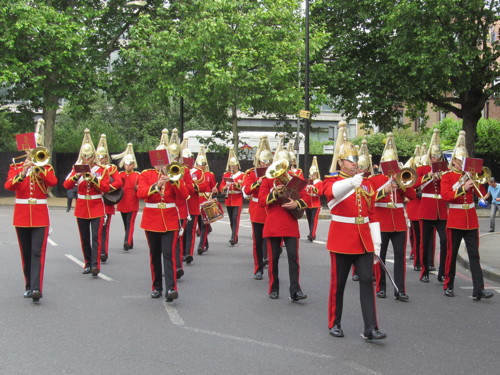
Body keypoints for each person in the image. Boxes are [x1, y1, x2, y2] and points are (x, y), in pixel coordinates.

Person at [321, 121, 386, 340]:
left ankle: (371, 327)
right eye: (350, 159)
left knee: (367, 281)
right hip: (341, 238)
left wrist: (377, 243)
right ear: (340, 162)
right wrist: (352, 182)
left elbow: (372, 214)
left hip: (363, 240)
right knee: (338, 284)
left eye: (356, 159)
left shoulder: (366, 184)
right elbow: (332, 194)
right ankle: (334, 322)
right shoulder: (332, 180)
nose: (354, 163)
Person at [4, 121, 58, 302]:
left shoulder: (45, 166)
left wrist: (39, 168)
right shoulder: (16, 167)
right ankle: (28, 285)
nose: (32, 152)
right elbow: (9, 185)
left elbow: (52, 182)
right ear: (26, 150)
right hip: (21, 215)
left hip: (40, 215)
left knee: (37, 252)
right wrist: (24, 170)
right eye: (30, 150)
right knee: (25, 252)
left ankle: (36, 288)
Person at [440, 131, 493, 300]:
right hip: (455, 219)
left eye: (464, 160)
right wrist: (464, 186)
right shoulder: (447, 177)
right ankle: (448, 285)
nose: (462, 163)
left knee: (474, 255)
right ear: (454, 161)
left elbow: (483, 193)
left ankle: (479, 289)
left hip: (471, 219)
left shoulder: (470, 174)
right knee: (452, 253)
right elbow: (447, 196)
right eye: (459, 160)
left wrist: (478, 185)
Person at [258, 141, 308, 302]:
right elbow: (261, 201)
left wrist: (296, 203)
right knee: (273, 258)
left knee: (294, 257)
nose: (282, 170)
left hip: (290, 222)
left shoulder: (295, 179)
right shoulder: (267, 180)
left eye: (284, 166)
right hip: (273, 223)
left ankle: (295, 290)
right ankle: (274, 287)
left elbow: (307, 198)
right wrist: (274, 192)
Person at [137, 151, 189, 302]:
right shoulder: (146, 174)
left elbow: (184, 195)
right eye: (158, 162)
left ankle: (171, 288)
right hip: (151, 220)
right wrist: (156, 185)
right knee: (154, 254)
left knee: (169, 254)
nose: (161, 164)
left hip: (170, 220)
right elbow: (140, 193)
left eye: (164, 161)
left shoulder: (174, 173)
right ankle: (156, 287)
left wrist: (175, 180)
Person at [369, 133, 415, 301]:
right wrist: (384, 190)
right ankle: (381, 287)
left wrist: (402, 183)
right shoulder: (376, 179)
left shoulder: (401, 178)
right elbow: (371, 197)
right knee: (380, 256)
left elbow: (412, 194)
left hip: (399, 223)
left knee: (400, 257)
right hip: (382, 222)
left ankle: (400, 289)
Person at [63, 129, 110, 277]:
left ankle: (95, 265)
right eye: (84, 156)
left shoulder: (101, 170)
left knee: (96, 237)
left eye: (89, 157)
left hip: (96, 206)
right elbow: (66, 185)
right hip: (82, 206)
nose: (86, 159)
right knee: (84, 237)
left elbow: (105, 187)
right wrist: (77, 176)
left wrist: (93, 178)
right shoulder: (76, 168)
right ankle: (87, 263)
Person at [414, 129, 448, 283]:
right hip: (427, 208)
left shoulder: (445, 170)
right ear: (429, 157)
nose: (436, 159)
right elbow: (414, 183)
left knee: (445, 240)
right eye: (434, 156)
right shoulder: (422, 169)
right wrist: (429, 176)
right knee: (425, 241)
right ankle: (425, 270)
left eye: (438, 157)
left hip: (441, 208)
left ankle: (442, 272)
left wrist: (442, 176)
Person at [242, 136, 272, 280]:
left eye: (268, 161)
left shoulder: (274, 172)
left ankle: (272, 266)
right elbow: (246, 190)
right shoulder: (250, 173)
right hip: (258, 210)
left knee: (271, 241)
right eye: (263, 161)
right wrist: (257, 183)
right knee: (258, 241)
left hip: (271, 209)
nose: (265, 164)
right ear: (259, 161)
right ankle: (258, 268)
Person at [96, 134, 123, 263]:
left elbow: (118, 182)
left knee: (105, 228)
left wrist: (106, 189)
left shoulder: (111, 168)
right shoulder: (92, 168)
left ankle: (103, 251)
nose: (101, 159)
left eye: (102, 157)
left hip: (106, 201)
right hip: (94, 201)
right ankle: (95, 251)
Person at [112, 143, 140, 251]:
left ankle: (127, 241)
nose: (128, 166)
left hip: (132, 202)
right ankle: (130, 240)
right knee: (125, 223)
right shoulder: (120, 175)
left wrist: (138, 188)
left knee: (130, 222)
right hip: (122, 202)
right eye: (126, 165)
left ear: (133, 164)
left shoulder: (138, 175)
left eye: (130, 164)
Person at [194, 146, 218, 255]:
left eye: (203, 164)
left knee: (204, 225)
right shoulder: (193, 174)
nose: (201, 166)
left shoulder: (210, 174)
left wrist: (215, 190)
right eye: (200, 164)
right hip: (196, 202)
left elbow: (215, 188)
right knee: (200, 224)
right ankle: (205, 243)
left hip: (206, 201)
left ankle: (201, 245)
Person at [219, 146, 244, 246]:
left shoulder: (242, 175)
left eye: (234, 166)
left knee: (235, 218)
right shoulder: (227, 174)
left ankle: (233, 237)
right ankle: (235, 236)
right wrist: (225, 186)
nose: (232, 168)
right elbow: (221, 186)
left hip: (237, 199)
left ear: (237, 166)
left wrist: (237, 183)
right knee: (231, 219)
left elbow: (243, 187)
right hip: (229, 199)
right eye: (231, 166)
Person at [303, 156, 322, 242]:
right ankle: (311, 233)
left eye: (314, 174)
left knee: (313, 221)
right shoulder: (307, 181)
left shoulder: (319, 182)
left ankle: (312, 235)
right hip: (308, 204)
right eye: (311, 174)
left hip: (315, 204)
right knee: (309, 220)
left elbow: (320, 192)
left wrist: (313, 188)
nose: (312, 176)